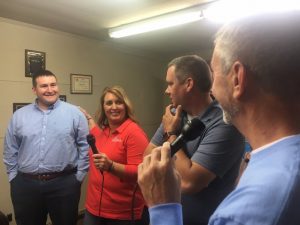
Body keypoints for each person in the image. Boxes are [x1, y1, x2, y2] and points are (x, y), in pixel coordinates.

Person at [138, 11, 300, 225]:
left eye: (214, 74)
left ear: (237, 78)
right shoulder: (283, 165)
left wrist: (163, 209)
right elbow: (148, 158)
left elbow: (186, 180)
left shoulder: (242, 213)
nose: (210, 86)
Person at [144, 55, 244, 225]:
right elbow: (147, 158)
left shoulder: (225, 123)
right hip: (167, 216)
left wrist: (171, 134)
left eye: (170, 84)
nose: (166, 90)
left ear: (188, 84)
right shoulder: (175, 115)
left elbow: (190, 182)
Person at [3, 70, 90, 225]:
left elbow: (85, 146)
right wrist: (13, 177)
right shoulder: (20, 115)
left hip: (64, 184)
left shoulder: (74, 114)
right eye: (44, 86)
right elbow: (10, 148)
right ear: (34, 90)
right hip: (25, 185)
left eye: (53, 84)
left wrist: (79, 176)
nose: (50, 90)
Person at [80, 86, 149, 225]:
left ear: (126, 105)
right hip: (94, 209)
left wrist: (111, 166)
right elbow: (95, 132)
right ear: (103, 107)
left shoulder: (134, 133)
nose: (114, 107)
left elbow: (141, 172)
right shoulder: (103, 132)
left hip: (121, 213)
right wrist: (87, 117)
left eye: (119, 102)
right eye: (109, 103)